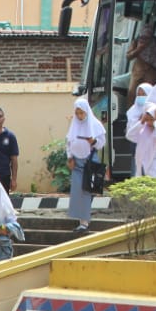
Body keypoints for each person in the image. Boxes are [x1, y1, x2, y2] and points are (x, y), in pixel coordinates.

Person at [66, 98, 107, 234]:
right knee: (78, 191)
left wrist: (93, 141)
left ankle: (85, 221)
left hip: (89, 161)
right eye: (77, 113)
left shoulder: (95, 124)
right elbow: (69, 142)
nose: (79, 116)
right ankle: (81, 221)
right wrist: (70, 157)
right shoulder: (74, 125)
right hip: (77, 162)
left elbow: (101, 143)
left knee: (87, 190)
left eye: (81, 113)